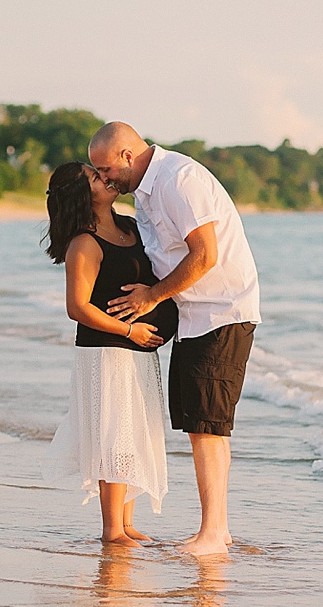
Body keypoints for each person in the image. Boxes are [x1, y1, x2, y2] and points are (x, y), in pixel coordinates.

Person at [88, 122, 261, 556]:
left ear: (128, 155)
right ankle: (215, 531)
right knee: (200, 424)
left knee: (209, 426)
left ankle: (213, 533)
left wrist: (151, 297)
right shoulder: (147, 190)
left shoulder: (178, 180)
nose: (105, 178)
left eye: (106, 169)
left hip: (221, 311)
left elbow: (205, 254)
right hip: (193, 316)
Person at [42, 162, 178, 544]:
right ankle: (111, 530)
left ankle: (127, 523)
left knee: (133, 434)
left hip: (137, 350)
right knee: (114, 437)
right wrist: (129, 329)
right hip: (105, 351)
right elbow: (78, 307)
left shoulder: (131, 227)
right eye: (94, 177)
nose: (106, 177)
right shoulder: (84, 243)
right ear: (83, 195)